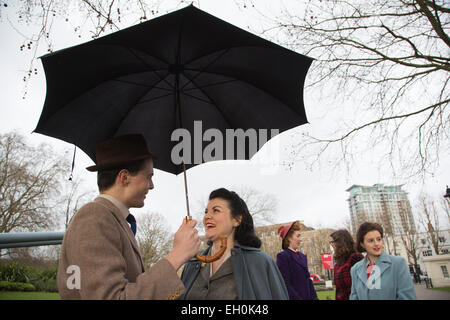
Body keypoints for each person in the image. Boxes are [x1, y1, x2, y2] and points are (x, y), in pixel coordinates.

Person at [57, 134, 201, 299]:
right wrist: (178, 255)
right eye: (148, 176)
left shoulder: (113, 220)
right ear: (124, 177)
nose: (152, 186)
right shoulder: (94, 217)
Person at [180, 188, 288, 300]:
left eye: (216, 210)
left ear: (237, 220)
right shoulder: (192, 263)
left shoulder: (260, 262)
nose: (207, 216)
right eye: (206, 211)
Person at [350, 222, 417, 300]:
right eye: (371, 241)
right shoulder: (355, 269)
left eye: (379, 239)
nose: (376, 243)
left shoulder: (398, 264)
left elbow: (407, 297)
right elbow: (354, 297)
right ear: (362, 244)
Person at [276, 221, 318, 300]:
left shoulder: (302, 256)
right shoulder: (283, 257)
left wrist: (314, 297)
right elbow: (285, 284)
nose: (300, 239)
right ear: (289, 238)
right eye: (298, 236)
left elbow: (308, 280)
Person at [330, 229, 364, 300]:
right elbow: (338, 291)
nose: (332, 245)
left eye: (333, 242)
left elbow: (363, 285)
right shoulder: (337, 264)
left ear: (341, 242)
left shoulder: (356, 258)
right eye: (331, 242)